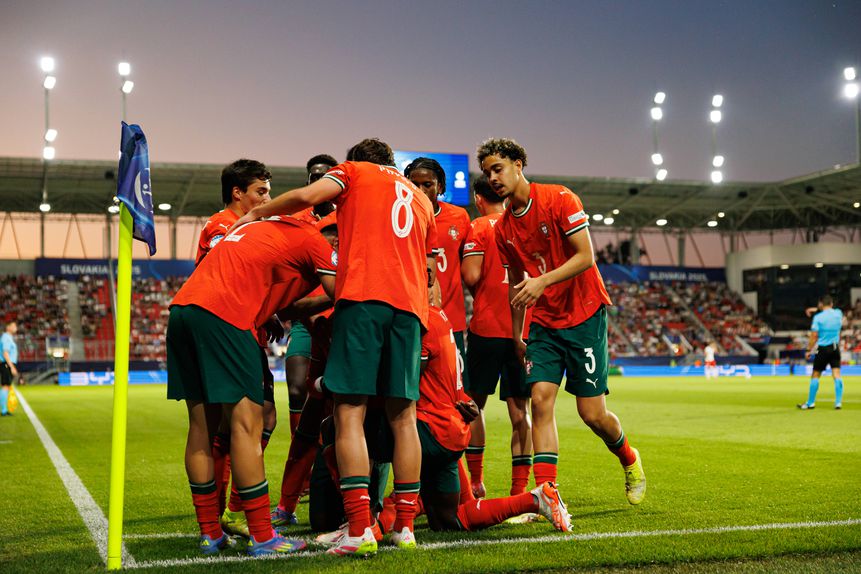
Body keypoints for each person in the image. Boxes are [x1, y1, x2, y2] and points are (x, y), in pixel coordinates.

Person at [232, 138, 437, 556]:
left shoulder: (354, 171)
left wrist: (256, 213)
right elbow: (424, 263)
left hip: (365, 300)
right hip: (411, 308)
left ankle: (360, 528)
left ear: (357, 160)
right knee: (404, 416)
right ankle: (405, 526)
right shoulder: (420, 198)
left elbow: (308, 196)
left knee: (348, 410)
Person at [478, 137, 646, 505]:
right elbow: (518, 286)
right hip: (545, 323)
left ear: (519, 164)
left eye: (498, 168)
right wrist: (516, 331)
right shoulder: (503, 229)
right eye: (487, 172)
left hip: (584, 313)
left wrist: (542, 281)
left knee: (592, 413)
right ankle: (547, 493)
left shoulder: (559, 199)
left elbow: (586, 257)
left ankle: (629, 458)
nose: (492, 177)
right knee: (539, 399)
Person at [168, 214, 337, 557]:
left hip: (184, 309)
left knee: (201, 425)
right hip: (227, 317)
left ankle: (210, 534)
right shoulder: (318, 242)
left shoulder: (260, 230)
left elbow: (287, 305)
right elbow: (342, 291)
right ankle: (263, 536)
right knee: (247, 425)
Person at [194, 159, 278, 538]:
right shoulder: (221, 226)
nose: (268, 198)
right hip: (228, 332)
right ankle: (222, 516)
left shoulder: (251, 225)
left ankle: (228, 513)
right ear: (237, 192)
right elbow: (223, 274)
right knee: (231, 426)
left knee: (259, 420)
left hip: (248, 332)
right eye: (261, 191)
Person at [461, 176, 533, 498]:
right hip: (522, 331)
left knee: (473, 406)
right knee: (521, 413)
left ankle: (476, 482)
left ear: (478, 198)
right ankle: (519, 491)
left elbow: (472, 275)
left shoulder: (479, 227)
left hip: (487, 329)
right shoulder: (519, 224)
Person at [284, 154, 339, 437]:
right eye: (313, 178)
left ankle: (326, 458)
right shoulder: (295, 220)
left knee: (335, 393)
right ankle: (300, 457)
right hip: (304, 317)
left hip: (338, 316)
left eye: (324, 177)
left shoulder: (346, 216)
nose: (318, 182)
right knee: (296, 389)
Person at [404, 157, 470, 378]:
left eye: (428, 185)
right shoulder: (400, 220)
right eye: (415, 184)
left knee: (455, 391)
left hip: (451, 319)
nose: (420, 190)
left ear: (440, 186)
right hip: (411, 319)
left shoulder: (459, 217)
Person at [798, 295, 844, 410]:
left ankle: (810, 403)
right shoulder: (838, 313)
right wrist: (813, 309)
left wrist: (809, 350)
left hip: (823, 348)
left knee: (816, 375)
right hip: (835, 348)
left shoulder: (818, 318)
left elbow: (814, 336)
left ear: (820, 304)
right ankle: (838, 403)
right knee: (837, 375)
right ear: (832, 304)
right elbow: (828, 310)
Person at [1, 321, 18, 416]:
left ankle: (4, 409)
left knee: (6, 386)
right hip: (6, 364)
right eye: (13, 325)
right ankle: (3, 410)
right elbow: (5, 353)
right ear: (8, 327)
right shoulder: (6, 337)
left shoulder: (8, 337)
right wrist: (12, 367)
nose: (16, 327)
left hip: (6, 364)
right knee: (5, 386)